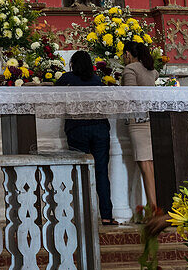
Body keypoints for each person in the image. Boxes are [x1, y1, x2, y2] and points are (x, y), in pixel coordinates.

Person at [58, 50, 116, 225]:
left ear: (73, 64)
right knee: (101, 173)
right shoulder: (97, 80)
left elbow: (51, 93)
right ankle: (106, 215)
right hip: (99, 128)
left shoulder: (67, 79)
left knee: (79, 172)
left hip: (77, 128)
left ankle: (82, 215)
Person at [121, 38, 158, 208]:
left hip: (138, 121)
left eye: (124, 55)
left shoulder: (130, 69)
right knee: (149, 163)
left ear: (128, 54)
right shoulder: (151, 70)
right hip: (151, 119)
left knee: (144, 164)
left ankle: (153, 206)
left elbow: (131, 96)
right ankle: (154, 204)